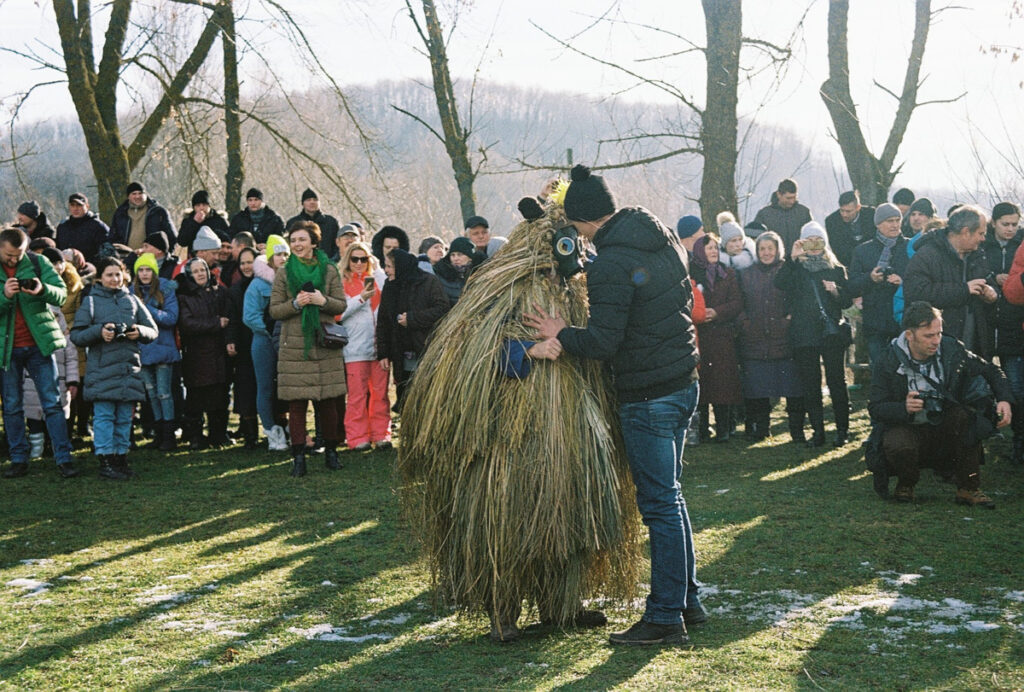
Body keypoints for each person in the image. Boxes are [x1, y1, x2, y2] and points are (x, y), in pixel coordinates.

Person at [400, 193, 640, 643]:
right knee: (509, 519)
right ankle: (502, 614)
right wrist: (528, 349)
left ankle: (562, 606)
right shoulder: (500, 290)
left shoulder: (576, 290)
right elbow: (467, 354)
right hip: (513, 431)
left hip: (573, 424)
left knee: (570, 511)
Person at [525, 164, 706, 647]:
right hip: (684, 382)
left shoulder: (610, 263)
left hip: (647, 396)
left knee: (660, 505)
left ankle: (665, 617)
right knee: (674, 497)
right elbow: (641, 295)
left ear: (582, 222)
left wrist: (560, 332)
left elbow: (604, 341)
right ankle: (688, 599)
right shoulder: (659, 233)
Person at [868, 301, 1012, 507]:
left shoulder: (951, 347)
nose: (936, 341)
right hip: (907, 425)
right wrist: (903, 407)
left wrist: (1004, 399)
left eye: (938, 333)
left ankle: (968, 488)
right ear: (909, 335)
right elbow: (875, 407)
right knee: (897, 444)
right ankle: (906, 483)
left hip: (945, 420)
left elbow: (990, 370)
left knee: (969, 420)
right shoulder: (887, 359)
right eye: (928, 336)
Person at [268, 221, 348, 476]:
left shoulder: (329, 270)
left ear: (314, 243)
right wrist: (295, 303)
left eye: (302, 240)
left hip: (324, 344)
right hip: (294, 347)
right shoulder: (283, 273)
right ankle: (299, 456)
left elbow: (341, 305)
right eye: (293, 240)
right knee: (297, 405)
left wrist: (322, 301)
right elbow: (275, 310)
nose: (297, 245)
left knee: (327, 403)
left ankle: (332, 452)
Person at [0, 227, 80, 479]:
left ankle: (64, 458)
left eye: (19, 254)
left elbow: (61, 294)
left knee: (52, 403)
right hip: (7, 348)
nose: (15, 260)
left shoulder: (37, 261)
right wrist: (4, 296)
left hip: (38, 344)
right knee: (12, 406)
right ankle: (19, 458)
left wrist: (41, 288)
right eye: (10, 255)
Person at [71, 256, 158, 480]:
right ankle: (106, 459)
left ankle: (121, 457)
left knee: (124, 418)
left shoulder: (132, 300)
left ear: (124, 275)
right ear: (100, 278)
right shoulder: (91, 301)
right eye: (109, 275)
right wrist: (99, 332)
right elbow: (77, 335)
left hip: (128, 369)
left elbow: (153, 330)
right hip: (101, 370)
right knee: (104, 417)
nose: (114, 279)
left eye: (118, 274)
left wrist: (138, 331)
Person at [774, 222, 853, 447]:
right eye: (809, 241)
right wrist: (792, 257)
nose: (815, 246)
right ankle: (818, 432)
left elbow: (847, 300)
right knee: (811, 384)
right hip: (804, 333)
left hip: (831, 333)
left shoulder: (835, 268)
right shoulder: (796, 267)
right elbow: (779, 283)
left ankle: (842, 431)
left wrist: (836, 291)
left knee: (837, 382)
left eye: (818, 241)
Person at [736, 231, 803, 442]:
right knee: (758, 388)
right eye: (762, 249)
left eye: (770, 249)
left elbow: (796, 297)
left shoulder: (787, 270)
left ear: (778, 250)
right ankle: (761, 429)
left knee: (792, 388)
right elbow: (739, 302)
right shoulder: (746, 273)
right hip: (754, 338)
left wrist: (788, 321)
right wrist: (745, 323)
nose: (766, 253)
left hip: (784, 337)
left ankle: (797, 430)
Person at [904, 205, 995, 355]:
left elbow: (989, 282)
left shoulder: (978, 255)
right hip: (938, 348)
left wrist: (992, 294)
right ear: (966, 232)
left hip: (975, 346)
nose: (983, 238)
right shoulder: (926, 256)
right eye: (980, 233)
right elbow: (916, 293)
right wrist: (963, 290)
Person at [376, 248, 450, 413]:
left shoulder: (428, 282)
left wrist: (413, 319)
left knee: (427, 400)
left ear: (401, 267)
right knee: (407, 400)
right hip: (401, 353)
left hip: (426, 349)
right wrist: (383, 352)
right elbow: (383, 321)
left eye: (389, 266)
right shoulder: (390, 287)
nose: (386, 270)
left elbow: (443, 309)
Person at [980, 202, 1024, 464]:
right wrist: (991, 278)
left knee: (1017, 387)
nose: (1010, 229)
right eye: (1005, 224)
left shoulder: (1021, 242)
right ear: (994, 223)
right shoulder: (984, 244)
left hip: (1012, 319)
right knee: (1006, 385)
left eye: (1014, 224)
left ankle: (1018, 440)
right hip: (993, 317)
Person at [338, 241, 391, 452]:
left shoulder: (378, 279)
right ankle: (357, 437)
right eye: (354, 259)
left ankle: (381, 434)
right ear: (348, 261)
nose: (359, 263)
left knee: (380, 394)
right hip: (354, 348)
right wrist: (361, 298)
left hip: (378, 348)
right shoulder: (342, 282)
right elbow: (338, 313)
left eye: (364, 259)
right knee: (357, 396)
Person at [690, 235, 743, 442]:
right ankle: (702, 429)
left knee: (723, 385)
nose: (713, 251)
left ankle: (724, 428)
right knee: (702, 386)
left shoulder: (727, 273)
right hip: (700, 337)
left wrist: (717, 312)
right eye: (708, 248)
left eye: (715, 248)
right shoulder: (692, 274)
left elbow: (737, 302)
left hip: (722, 336)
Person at [176, 257, 231, 450]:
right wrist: (215, 324)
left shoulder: (220, 292)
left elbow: (228, 315)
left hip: (218, 353)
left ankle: (218, 435)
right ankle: (196, 437)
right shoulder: (184, 295)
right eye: (196, 271)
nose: (201, 274)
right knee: (196, 399)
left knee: (220, 396)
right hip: (196, 355)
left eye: (203, 270)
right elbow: (186, 324)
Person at [848, 203, 910, 364]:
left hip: (904, 321)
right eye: (890, 221)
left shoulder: (910, 247)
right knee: (880, 372)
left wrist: (902, 281)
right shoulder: (862, 251)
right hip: (875, 323)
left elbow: (921, 280)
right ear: (878, 224)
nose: (895, 225)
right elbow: (851, 286)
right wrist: (870, 278)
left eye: (898, 220)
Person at [243, 235, 290, 451]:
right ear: (270, 257)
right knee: (265, 387)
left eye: (285, 254)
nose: (283, 258)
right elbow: (249, 316)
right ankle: (272, 431)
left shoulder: (292, 280)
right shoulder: (257, 284)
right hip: (263, 342)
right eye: (279, 254)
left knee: (288, 386)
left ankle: (289, 426)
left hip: (289, 340)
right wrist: (271, 330)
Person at [132, 253, 180, 451]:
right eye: (141, 270)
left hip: (162, 348)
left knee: (163, 393)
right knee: (151, 393)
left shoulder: (165, 290)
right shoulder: (130, 292)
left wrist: (146, 309)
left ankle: (169, 435)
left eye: (148, 270)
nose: (144, 274)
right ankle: (159, 434)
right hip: (141, 349)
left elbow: (171, 317)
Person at [22, 307, 77, 460]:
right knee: (34, 421)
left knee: (56, 417)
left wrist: (72, 381)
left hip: (59, 384)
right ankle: (36, 449)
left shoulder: (65, 340)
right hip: (31, 385)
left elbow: (72, 361)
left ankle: (57, 448)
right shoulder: (31, 339)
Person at [226, 247, 259, 448]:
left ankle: (279, 428)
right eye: (243, 263)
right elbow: (232, 319)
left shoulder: (268, 284)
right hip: (244, 345)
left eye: (250, 262)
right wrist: (231, 340)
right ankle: (250, 433)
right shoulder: (235, 290)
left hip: (264, 341)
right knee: (246, 388)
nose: (247, 266)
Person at [109, 181, 176, 249]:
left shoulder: (158, 212)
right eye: (134, 194)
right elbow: (112, 238)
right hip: (125, 257)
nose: (137, 196)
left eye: (140, 193)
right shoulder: (120, 213)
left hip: (152, 257)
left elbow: (172, 237)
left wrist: (165, 255)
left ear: (146, 195)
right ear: (128, 196)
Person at [753, 178, 813, 250]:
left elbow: (812, 238)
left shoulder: (804, 213)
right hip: (772, 259)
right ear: (779, 194)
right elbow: (755, 241)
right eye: (788, 198)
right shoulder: (764, 214)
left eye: (794, 197)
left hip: (799, 258)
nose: (792, 201)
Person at [826, 190, 876, 269]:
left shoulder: (872, 215)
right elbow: (838, 250)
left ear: (858, 207)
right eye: (842, 210)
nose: (844, 215)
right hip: (847, 265)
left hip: (872, 261)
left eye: (848, 211)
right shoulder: (832, 221)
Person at [56, 192, 111, 264]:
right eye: (72, 205)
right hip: (66, 268)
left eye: (79, 205)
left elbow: (107, 253)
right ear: (69, 206)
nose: (75, 208)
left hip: (91, 268)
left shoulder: (98, 226)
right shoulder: (62, 227)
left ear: (87, 206)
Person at [286, 188, 340, 259]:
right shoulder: (293, 223)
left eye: (315, 200)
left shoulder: (331, 222)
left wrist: (332, 262)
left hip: (327, 263)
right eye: (308, 200)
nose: (312, 202)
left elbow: (339, 245)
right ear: (303, 203)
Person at [432, 237, 481, 306]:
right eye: (452, 255)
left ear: (470, 257)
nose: (455, 258)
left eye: (460, 254)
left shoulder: (480, 274)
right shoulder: (442, 274)